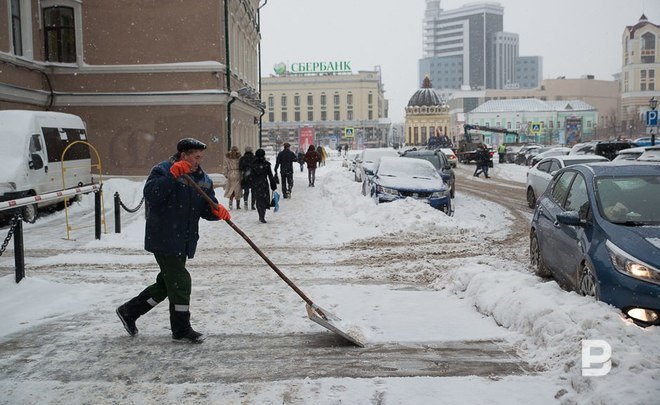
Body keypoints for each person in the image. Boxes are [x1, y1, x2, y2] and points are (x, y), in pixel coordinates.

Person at [116, 138, 230, 343]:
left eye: (200, 157)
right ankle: (181, 328)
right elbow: (152, 194)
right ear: (183, 155)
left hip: (184, 239)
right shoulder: (163, 169)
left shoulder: (202, 178)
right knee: (181, 281)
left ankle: (129, 311)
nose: (198, 161)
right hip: (164, 237)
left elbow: (206, 207)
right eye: (195, 156)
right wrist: (172, 175)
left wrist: (217, 211)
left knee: (168, 284)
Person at [250, 148, 277, 223]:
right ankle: (263, 215)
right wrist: (273, 185)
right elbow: (270, 176)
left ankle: (260, 215)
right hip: (264, 184)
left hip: (256, 184)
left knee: (258, 200)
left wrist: (251, 183)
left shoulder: (253, 164)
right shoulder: (266, 164)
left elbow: (250, 176)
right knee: (264, 200)